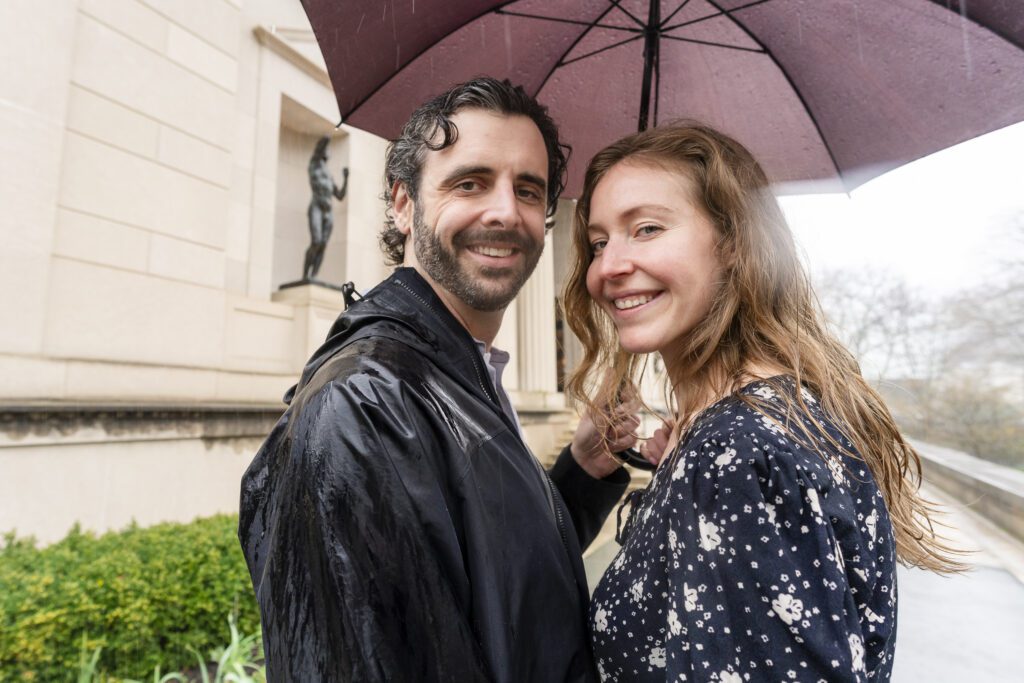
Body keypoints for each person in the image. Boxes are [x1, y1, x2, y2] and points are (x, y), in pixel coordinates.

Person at [239, 78, 639, 682]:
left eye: (528, 190)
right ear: (403, 204)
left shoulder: (459, 371)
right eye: (470, 182)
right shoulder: (363, 404)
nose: (505, 210)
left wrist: (580, 475)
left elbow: (494, 586)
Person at [562, 124, 963, 682]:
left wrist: (708, 472)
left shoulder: (737, 453)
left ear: (732, 243)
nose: (607, 267)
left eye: (647, 228)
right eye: (600, 241)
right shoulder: (764, 424)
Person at [303, 136, 349, 281]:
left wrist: (346, 178)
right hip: (316, 206)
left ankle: (314, 276)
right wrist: (328, 138)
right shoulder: (314, 164)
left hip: (328, 212)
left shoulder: (329, 176)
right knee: (316, 241)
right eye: (327, 149)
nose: (328, 151)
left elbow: (340, 195)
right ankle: (305, 275)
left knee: (323, 244)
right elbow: (320, 146)